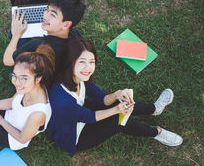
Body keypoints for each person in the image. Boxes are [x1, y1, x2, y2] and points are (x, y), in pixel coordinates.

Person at [47, 39, 183, 155]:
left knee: (121, 103)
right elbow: (88, 117)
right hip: (71, 136)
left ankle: (153, 109)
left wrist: (117, 94)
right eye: (82, 62)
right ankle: (156, 132)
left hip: (80, 112)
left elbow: (101, 99)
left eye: (92, 61)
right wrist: (117, 110)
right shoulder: (61, 98)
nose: (88, 68)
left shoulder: (80, 77)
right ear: (70, 62)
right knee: (118, 121)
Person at [3, 0, 86, 75]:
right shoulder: (75, 36)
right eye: (46, 10)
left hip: (26, 73)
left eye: (52, 14)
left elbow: (7, 61)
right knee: (56, 3)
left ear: (66, 24)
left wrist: (16, 34)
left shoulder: (37, 46)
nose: (44, 15)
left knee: (18, 27)